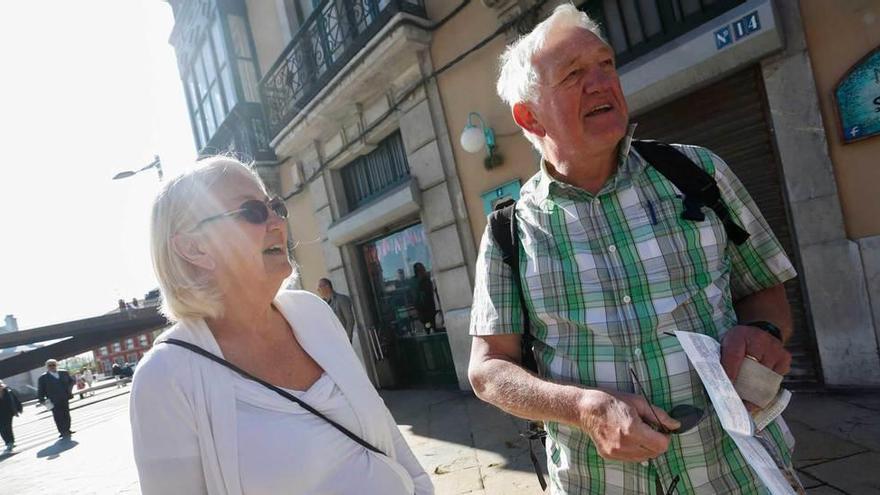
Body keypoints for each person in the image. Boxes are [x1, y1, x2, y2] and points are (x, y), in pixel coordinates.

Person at [468, 5, 800, 494]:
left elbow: (764, 291)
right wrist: (582, 408)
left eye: (605, 65)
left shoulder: (698, 174)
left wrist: (762, 333)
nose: (601, 83)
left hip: (739, 471)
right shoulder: (509, 233)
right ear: (529, 115)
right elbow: (489, 370)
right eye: (574, 74)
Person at [130, 156, 432, 495]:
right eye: (252, 212)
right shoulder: (164, 378)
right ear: (194, 247)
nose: (277, 222)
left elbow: (387, 438)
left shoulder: (312, 313)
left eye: (274, 206)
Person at [37, 359, 75, 438]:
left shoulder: (64, 372)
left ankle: (67, 429)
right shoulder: (43, 377)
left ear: (57, 365)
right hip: (53, 400)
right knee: (58, 416)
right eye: (49, 365)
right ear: (47, 367)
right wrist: (41, 400)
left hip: (64, 397)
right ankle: (62, 431)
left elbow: (71, 381)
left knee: (66, 414)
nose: (52, 367)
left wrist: (68, 389)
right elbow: (41, 390)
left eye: (53, 365)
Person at [316, 278, 356, 342]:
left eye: (319, 287)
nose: (317, 289)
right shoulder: (323, 303)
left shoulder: (341, 299)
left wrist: (347, 339)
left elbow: (350, 320)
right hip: (332, 341)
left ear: (327, 286)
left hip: (343, 340)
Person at [412, 263, 437, 333]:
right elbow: (416, 298)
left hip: (430, 310)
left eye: (423, 269)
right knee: (428, 328)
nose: (424, 271)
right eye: (422, 270)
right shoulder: (416, 282)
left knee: (433, 327)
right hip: (424, 312)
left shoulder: (426, 279)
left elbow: (431, 293)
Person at [0, 380, 23, 450]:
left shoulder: (8, 391)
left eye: (0, 386)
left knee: (8, 427)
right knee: (1, 428)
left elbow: (15, 399)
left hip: (8, 412)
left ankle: (11, 441)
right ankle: (8, 442)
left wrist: (19, 408)